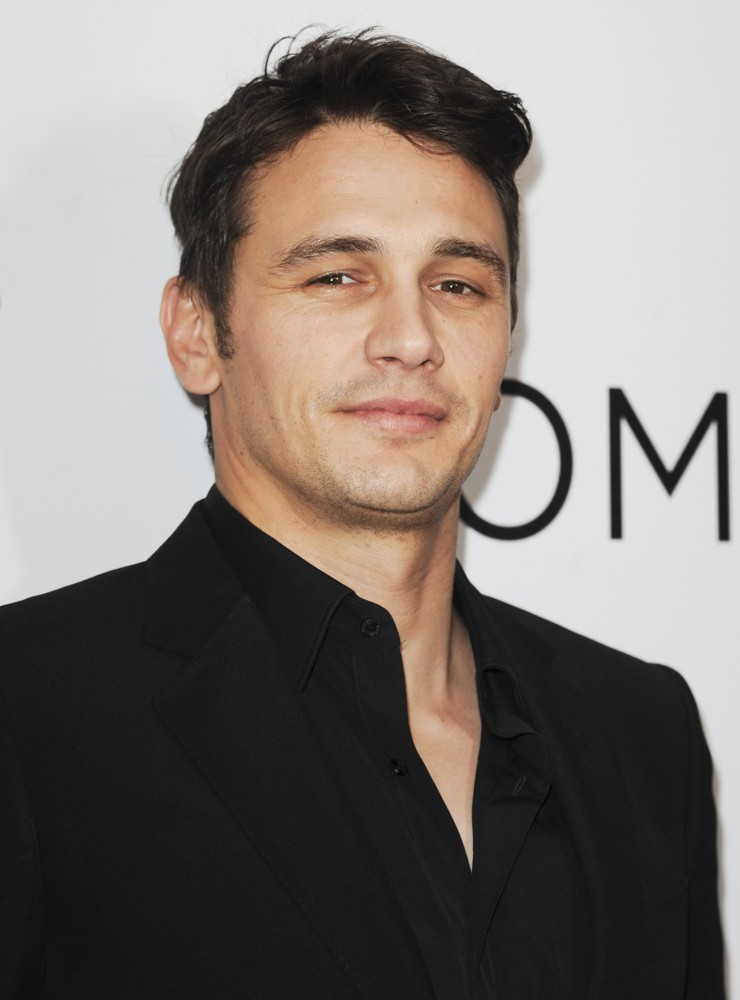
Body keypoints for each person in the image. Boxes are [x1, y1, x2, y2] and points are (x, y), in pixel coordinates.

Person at [0, 30, 724, 1000]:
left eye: (457, 284)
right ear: (196, 332)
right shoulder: (30, 711)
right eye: (337, 276)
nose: (410, 338)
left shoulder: (641, 735)